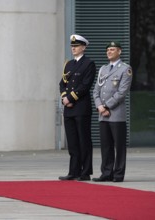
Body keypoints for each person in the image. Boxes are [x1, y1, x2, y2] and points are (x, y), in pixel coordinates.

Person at [92, 41, 133, 182]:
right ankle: (106, 173)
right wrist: (99, 107)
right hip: (102, 114)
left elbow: (122, 92)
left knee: (119, 146)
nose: (109, 51)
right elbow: (96, 91)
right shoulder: (103, 69)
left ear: (119, 51)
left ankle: (118, 174)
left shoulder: (125, 69)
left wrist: (107, 107)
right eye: (108, 49)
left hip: (116, 114)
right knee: (106, 146)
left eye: (112, 49)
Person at [58, 34, 96, 181]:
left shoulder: (89, 64)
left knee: (84, 140)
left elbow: (85, 86)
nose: (73, 49)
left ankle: (85, 172)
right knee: (72, 142)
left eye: (76, 46)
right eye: (72, 47)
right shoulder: (69, 64)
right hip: (69, 108)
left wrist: (70, 97)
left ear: (84, 47)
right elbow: (62, 83)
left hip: (81, 107)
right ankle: (73, 171)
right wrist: (64, 97)